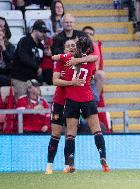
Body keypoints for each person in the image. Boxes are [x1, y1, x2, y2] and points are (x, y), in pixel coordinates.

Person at [52, 37, 109, 173]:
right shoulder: (90, 60)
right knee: (97, 130)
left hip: (72, 99)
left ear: (77, 47)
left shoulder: (67, 58)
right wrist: (80, 58)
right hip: (88, 98)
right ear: (88, 48)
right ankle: (103, 158)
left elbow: (54, 57)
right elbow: (94, 59)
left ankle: (70, 163)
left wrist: (69, 56)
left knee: (70, 133)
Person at [45, 39, 94, 175]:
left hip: (73, 102)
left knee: (70, 134)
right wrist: (73, 82)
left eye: (73, 45)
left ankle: (68, 165)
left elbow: (93, 58)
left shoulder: (80, 61)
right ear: (64, 49)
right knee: (55, 134)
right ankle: (49, 166)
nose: (71, 47)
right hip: (60, 101)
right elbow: (55, 81)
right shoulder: (61, 62)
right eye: (68, 46)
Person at [11, 20, 50, 100]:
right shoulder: (25, 40)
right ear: (34, 30)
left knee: (37, 103)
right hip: (20, 78)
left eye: (45, 32)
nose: (44, 34)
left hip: (33, 80)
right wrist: (37, 67)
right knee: (22, 102)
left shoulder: (41, 46)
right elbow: (23, 57)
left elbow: (40, 62)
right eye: (42, 31)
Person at [82, 26, 106, 104]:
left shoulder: (95, 46)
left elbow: (96, 65)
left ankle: (95, 101)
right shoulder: (76, 45)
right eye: (86, 33)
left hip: (89, 73)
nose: (88, 35)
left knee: (100, 74)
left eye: (91, 34)